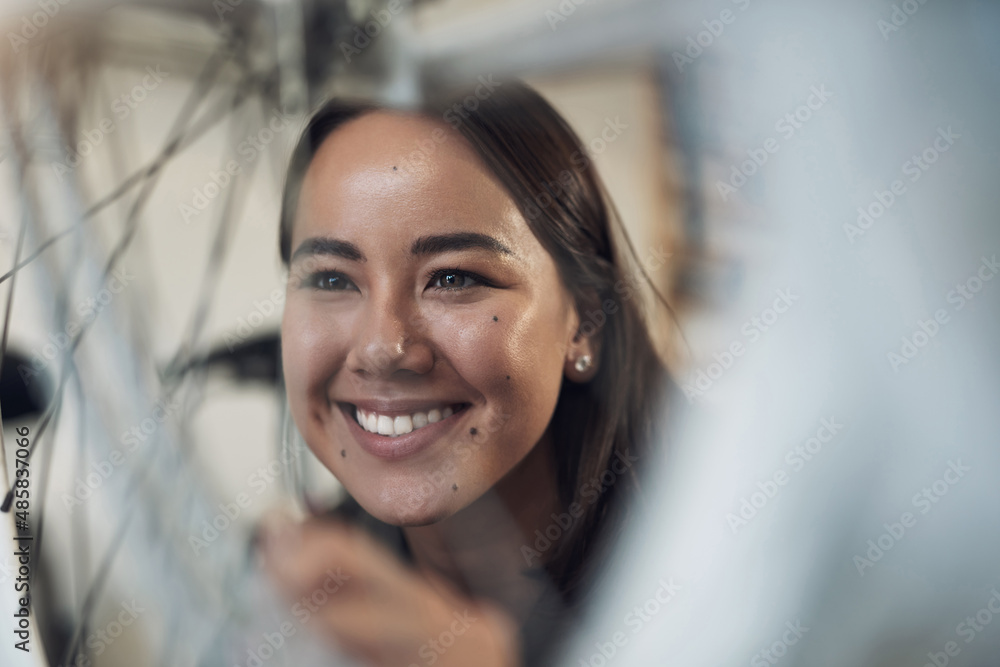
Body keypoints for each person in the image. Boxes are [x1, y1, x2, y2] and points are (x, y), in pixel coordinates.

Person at [258, 78, 673, 667]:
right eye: (331, 279)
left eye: (454, 278)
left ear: (585, 324)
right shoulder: (303, 611)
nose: (382, 347)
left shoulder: (721, 568)